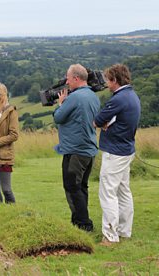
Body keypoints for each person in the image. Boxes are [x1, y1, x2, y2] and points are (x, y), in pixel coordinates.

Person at [94, 64, 141, 245]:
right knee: (123, 191)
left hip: (115, 151)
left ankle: (110, 236)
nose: (106, 83)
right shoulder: (132, 96)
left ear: (115, 80)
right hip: (126, 149)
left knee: (108, 192)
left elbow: (97, 121)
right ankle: (124, 231)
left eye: (108, 80)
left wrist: (104, 123)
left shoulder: (118, 99)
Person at [53, 64, 100, 232]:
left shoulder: (74, 97)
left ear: (76, 78)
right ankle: (78, 222)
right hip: (89, 149)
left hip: (75, 150)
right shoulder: (93, 96)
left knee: (72, 186)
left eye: (68, 78)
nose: (66, 81)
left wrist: (61, 103)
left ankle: (84, 224)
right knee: (82, 187)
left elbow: (58, 117)